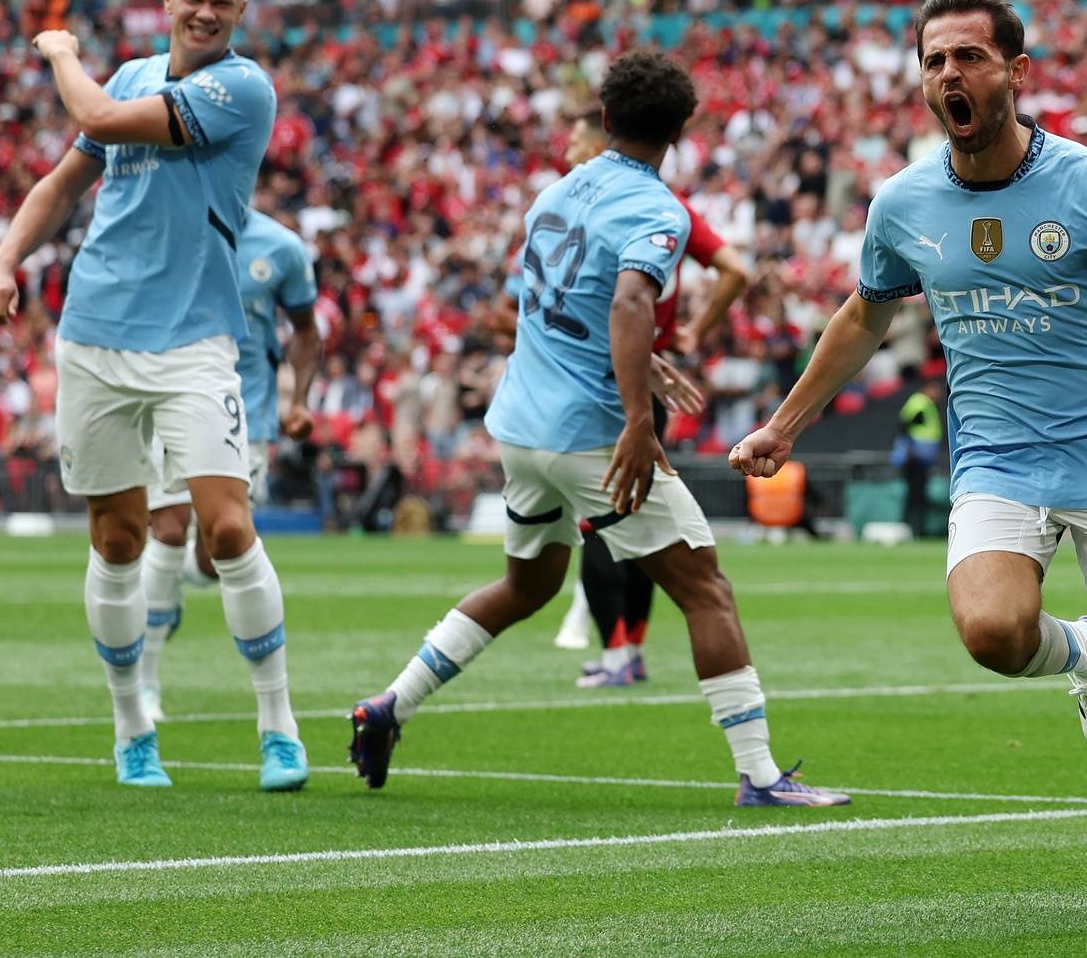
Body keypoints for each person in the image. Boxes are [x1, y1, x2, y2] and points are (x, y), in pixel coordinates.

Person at [730, 0, 1087, 912]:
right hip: (998, 456)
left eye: (968, 57)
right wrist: (782, 426)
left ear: (1016, 72)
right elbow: (862, 318)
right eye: (934, 61)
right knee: (992, 633)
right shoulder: (903, 201)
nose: (949, 75)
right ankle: (1081, 660)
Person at [349, 52, 848, 809]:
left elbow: (563, 310)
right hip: (589, 433)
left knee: (528, 585)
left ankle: (388, 706)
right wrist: (640, 423)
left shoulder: (550, 197)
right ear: (681, 132)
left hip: (520, 427)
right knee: (707, 590)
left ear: (605, 120)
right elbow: (624, 305)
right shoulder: (660, 211)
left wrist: (643, 367)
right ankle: (759, 775)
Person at [0, 0, 305, 790]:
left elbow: (103, 123)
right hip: (95, 334)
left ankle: (278, 725)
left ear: (239, 12)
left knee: (227, 527)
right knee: (117, 539)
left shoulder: (241, 88)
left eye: (220, 4)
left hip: (195, 339)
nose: (204, 13)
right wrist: (4, 259)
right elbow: (58, 184)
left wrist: (61, 52)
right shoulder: (129, 74)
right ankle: (132, 731)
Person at [551, 102, 751, 690]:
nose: (568, 155)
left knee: (602, 519)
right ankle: (628, 650)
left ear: (602, 143)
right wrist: (692, 330)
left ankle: (617, 654)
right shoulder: (670, 207)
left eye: (575, 144)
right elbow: (733, 270)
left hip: (609, 379)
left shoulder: (599, 205)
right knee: (636, 515)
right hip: (650, 380)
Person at [135, 208, 324, 722]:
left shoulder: (280, 247)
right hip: (168, 399)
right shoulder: (167, 225)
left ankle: (169, 595)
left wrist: (299, 400)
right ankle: (147, 683)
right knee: (168, 531)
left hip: (247, 413)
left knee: (218, 547)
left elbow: (306, 330)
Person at [894, 365, 946, 536]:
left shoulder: (925, 404)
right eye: (935, 389)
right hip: (915, 458)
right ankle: (913, 530)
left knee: (918, 495)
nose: (937, 393)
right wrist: (910, 449)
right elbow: (904, 426)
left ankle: (916, 530)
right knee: (915, 495)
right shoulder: (920, 402)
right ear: (927, 388)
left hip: (921, 458)